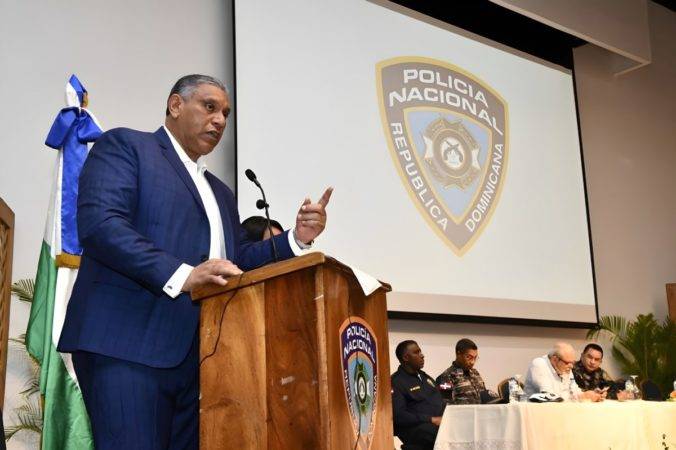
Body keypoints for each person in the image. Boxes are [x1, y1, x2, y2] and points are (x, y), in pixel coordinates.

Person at [57, 74, 333, 450]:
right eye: (209, 107)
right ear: (175, 105)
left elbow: (234, 261)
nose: (220, 120)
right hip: (127, 347)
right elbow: (101, 226)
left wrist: (297, 239)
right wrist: (183, 275)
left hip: (200, 359)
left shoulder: (220, 191)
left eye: (226, 113)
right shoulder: (127, 146)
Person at [391, 340, 445, 450]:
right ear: (406, 358)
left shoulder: (425, 377)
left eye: (420, 351)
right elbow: (399, 415)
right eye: (416, 352)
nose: (422, 355)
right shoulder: (396, 382)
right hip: (416, 429)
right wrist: (431, 419)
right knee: (440, 434)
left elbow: (439, 401)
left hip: (438, 424)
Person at [524, 342, 602, 401]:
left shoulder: (567, 367)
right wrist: (580, 397)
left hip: (559, 411)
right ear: (555, 359)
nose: (571, 366)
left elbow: (575, 390)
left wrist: (590, 395)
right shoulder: (539, 364)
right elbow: (551, 396)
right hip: (534, 412)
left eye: (572, 362)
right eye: (567, 362)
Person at [436, 338, 497, 404]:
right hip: (461, 414)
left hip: (480, 413)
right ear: (458, 354)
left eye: (475, 358)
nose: (472, 362)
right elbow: (446, 406)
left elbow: (484, 398)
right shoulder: (446, 377)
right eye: (469, 357)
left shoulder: (475, 373)